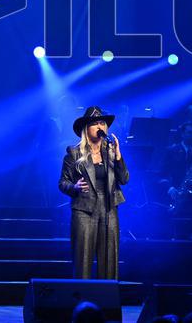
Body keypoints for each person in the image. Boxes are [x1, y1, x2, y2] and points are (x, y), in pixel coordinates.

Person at [59, 106, 130, 279]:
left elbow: (124, 179)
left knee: (109, 260)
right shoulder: (74, 153)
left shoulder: (111, 152)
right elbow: (62, 183)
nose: (100, 127)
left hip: (109, 208)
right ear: (86, 128)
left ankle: (107, 303)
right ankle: (82, 301)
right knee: (83, 259)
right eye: (95, 123)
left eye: (103, 123)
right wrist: (74, 188)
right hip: (84, 209)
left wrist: (118, 158)